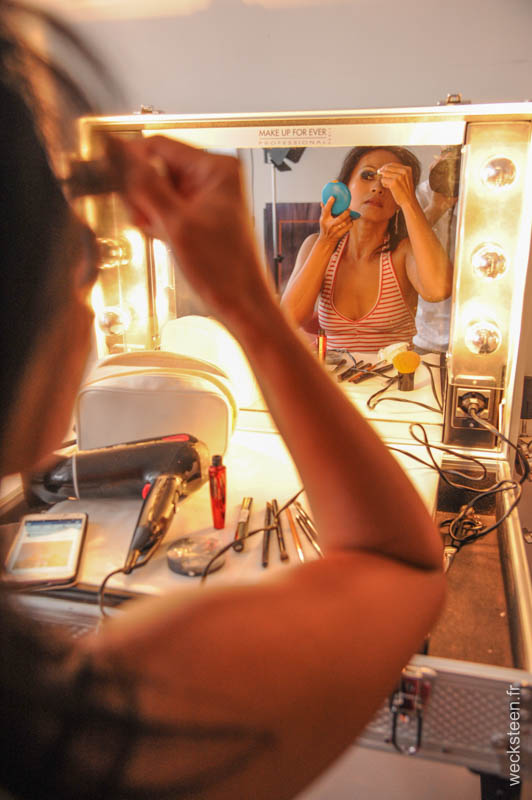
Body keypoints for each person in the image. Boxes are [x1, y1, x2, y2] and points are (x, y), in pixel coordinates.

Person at [0, 9, 445, 800]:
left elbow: (439, 289)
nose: (94, 265)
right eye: (73, 244)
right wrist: (248, 296)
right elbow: (401, 567)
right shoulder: (85, 732)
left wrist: (412, 206)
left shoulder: (410, 248)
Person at [280, 146, 453, 352]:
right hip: (333, 372)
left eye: (390, 182)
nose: (377, 188)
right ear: (345, 186)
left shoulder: (403, 252)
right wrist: (325, 243)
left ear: (398, 200)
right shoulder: (315, 245)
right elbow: (289, 319)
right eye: (368, 175)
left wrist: (409, 201)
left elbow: (438, 290)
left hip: (394, 373)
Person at [413, 147, 461, 354]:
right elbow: (404, 245)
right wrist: (436, 207)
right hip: (428, 332)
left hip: (474, 330)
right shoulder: (420, 194)